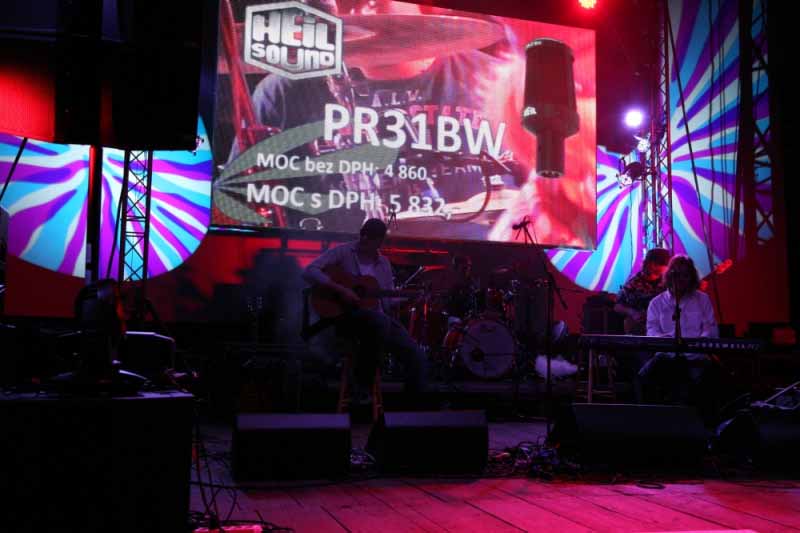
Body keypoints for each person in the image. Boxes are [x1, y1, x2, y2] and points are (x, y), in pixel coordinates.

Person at [302, 218, 427, 396]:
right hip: (346, 318)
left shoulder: (383, 264)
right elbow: (309, 271)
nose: (364, 241)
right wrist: (342, 290)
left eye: (370, 239)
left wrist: (409, 299)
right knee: (380, 322)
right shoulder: (343, 252)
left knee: (417, 354)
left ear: (379, 241)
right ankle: (363, 386)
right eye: (363, 236)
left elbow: (387, 301)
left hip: (378, 319)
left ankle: (414, 405)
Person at [638, 255, 719, 406]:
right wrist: (665, 341)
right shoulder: (656, 303)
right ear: (669, 276)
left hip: (696, 357)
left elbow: (710, 328)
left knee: (716, 378)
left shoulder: (702, 299)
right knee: (643, 378)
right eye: (677, 275)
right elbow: (652, 330)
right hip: (666, 357)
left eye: (685, 275)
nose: (681, 279)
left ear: (691, 277)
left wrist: (699, 344)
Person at [614, 248, 671, 335]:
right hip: (641, 328)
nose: (667, 268)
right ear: (653, 264)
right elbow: (617, 306)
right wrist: (632, 312)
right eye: (665, 265)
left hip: (664, 328)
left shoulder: (668, 282)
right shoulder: (633, 283)